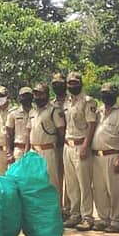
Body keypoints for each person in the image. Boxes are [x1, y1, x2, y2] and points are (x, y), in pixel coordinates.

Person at [62, 72, 98, 231]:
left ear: (81, 83)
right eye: (70, 83)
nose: (72, 86)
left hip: (80, 145)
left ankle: (87, 217)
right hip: (67, 146)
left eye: (75, 83)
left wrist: (86, 145)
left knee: (84, 183)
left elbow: (91, 125)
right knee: (71, 184)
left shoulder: (87, 101)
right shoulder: (67, 102)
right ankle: (74, 214)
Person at [91, 83, 119, 233]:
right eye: (103, 93)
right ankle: (103, 218)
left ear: (115, 94)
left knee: (116, 189)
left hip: (113, 155)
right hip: (96, 156)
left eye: (108, 93)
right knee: (99, 189)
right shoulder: (98, 111)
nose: (105, 96)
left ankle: (117, 221)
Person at [29, 83, 66, 202]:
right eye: (35, 94)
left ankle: (55, 211)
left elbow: (61, 131)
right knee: (36, 183)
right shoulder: (32, 112)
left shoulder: (53, 110)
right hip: (34, 151)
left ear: (47, 95)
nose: (37, 97)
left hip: (48, 151)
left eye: (40, 94)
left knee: (51, 182)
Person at [52, 72, 71, 219]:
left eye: (60, 84)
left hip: (70, 144)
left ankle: (69, 209)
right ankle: (57, 208)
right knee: (56, 179)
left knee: (71, 179)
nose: (57, 87)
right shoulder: (51, 104)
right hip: (56, 147)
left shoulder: (71, 101)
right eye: (54, 85)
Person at [5, 87, 33, 168]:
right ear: (19, 98)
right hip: (18, 150)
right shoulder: (13, 113)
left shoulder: (36, 112)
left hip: (34, 150)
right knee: (17, 178)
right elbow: (8, 134)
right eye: (23, 96)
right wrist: (9, 153)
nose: (26, 98)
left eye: (28, 95)